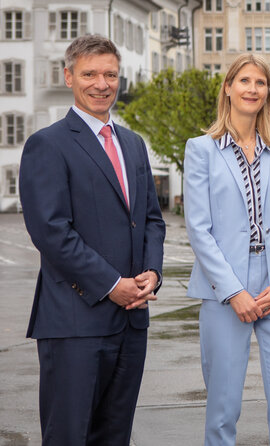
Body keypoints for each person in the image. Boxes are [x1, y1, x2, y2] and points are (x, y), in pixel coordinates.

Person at [19, 34, 166, 445]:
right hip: (74, 322)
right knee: (69, 435)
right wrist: (111, 285)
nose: (101, 84)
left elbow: (152, 220)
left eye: (110, 74)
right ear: (69, 77)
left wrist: (151, 273)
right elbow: (51, 231)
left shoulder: (134, 145)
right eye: (90, 74)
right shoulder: (47, 144)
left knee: (115, 436)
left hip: (132, 320)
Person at [183, 54, 270, 446]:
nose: (253, 89)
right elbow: (199, 230)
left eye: (261, 83)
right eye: (245, 81)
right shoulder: (201, 149)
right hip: (224, 288)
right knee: (223, 403)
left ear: (268, 92)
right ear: (228, 88)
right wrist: (233, 291)